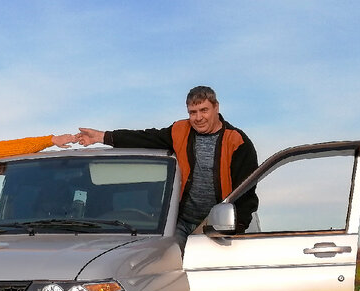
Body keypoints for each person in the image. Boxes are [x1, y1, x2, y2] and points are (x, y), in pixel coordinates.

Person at [77, 86, 258, 239]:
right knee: (169, 263)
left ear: (216, 107)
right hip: (180, 221)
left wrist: (235, 228)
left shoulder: (237, 142)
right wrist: (102, 136)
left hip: (216, 224)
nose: (198, 118)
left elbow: (246, 193)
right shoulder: (180, 130)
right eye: (192, 112)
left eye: (204, 110)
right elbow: (145, 138)